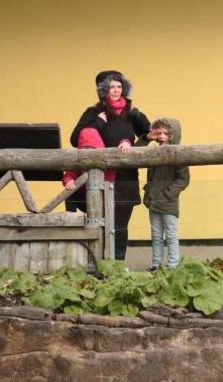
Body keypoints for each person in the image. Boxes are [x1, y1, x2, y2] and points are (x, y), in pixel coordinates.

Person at [70, 70, 151, 260]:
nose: (116, 90)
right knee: (101, 222)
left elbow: (148, 132)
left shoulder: (130, 113)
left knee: (121, 225)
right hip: (100, 179)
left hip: (126, 179)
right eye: (111, 87)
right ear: (103, 90)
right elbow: (76, 138)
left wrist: (138, 117)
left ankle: (119, 264)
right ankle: (100, 262)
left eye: (119, 86)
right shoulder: (93, 113)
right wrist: (98, 122)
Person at [142, 118, 189, 270]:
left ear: (173, 135)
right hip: (153, 201)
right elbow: (137, 155)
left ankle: (173, 265)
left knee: (171, 235)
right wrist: (148, 191)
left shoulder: (179, 154)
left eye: (166, 133)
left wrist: (169, 193)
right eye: (159, 132)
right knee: (156, 235)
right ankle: (156, 264)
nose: (162, 136)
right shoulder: (153, 152)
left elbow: (183, 179)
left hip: (168, 202)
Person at [62, 127, 115, 212]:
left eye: (91, 150)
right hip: (83, 197)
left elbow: (117, 158)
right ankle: (72, 219)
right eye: (85, 151)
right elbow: (69, 173)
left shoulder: (106, 160)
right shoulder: (77, 162)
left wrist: (124, 142)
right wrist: (69, 180)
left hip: (103, 199)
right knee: (69, 194)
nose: (88, 156)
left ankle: (103, 224)